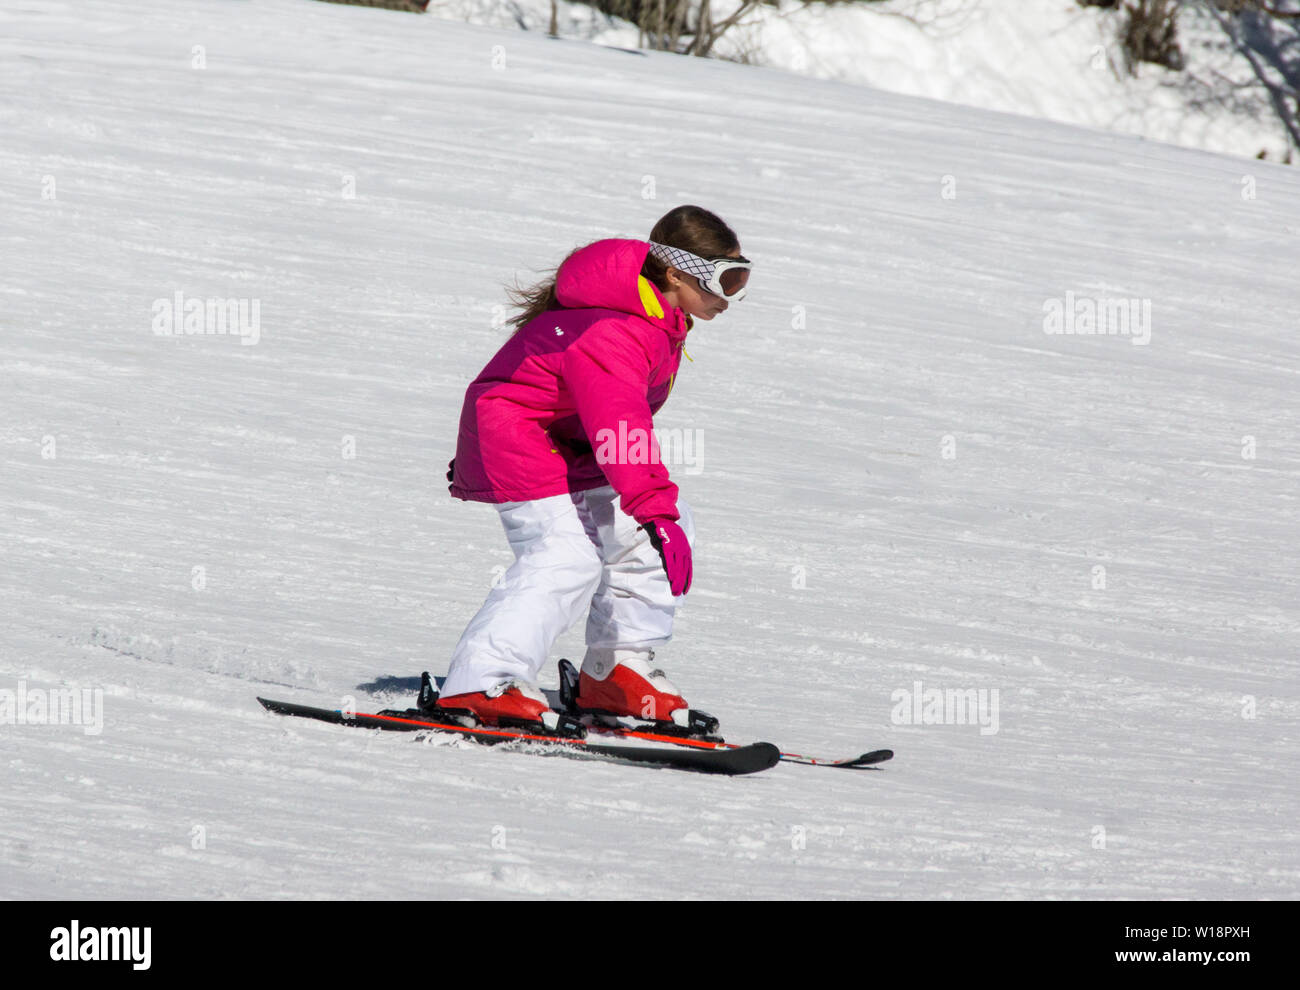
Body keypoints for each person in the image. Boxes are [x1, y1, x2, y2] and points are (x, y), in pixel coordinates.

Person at [439, 204, 752, 729]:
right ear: (675, 272)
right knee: (565, 556)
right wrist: (652, 505)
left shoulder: (656, 320)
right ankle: (482, 681)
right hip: (519, 436)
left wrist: (657, 516)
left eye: (741, 279)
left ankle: (614, 672)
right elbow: (620, 424)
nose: (730, 297)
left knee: (653, 533)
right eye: (725, 279)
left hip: (568, 440)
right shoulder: (619, 329)